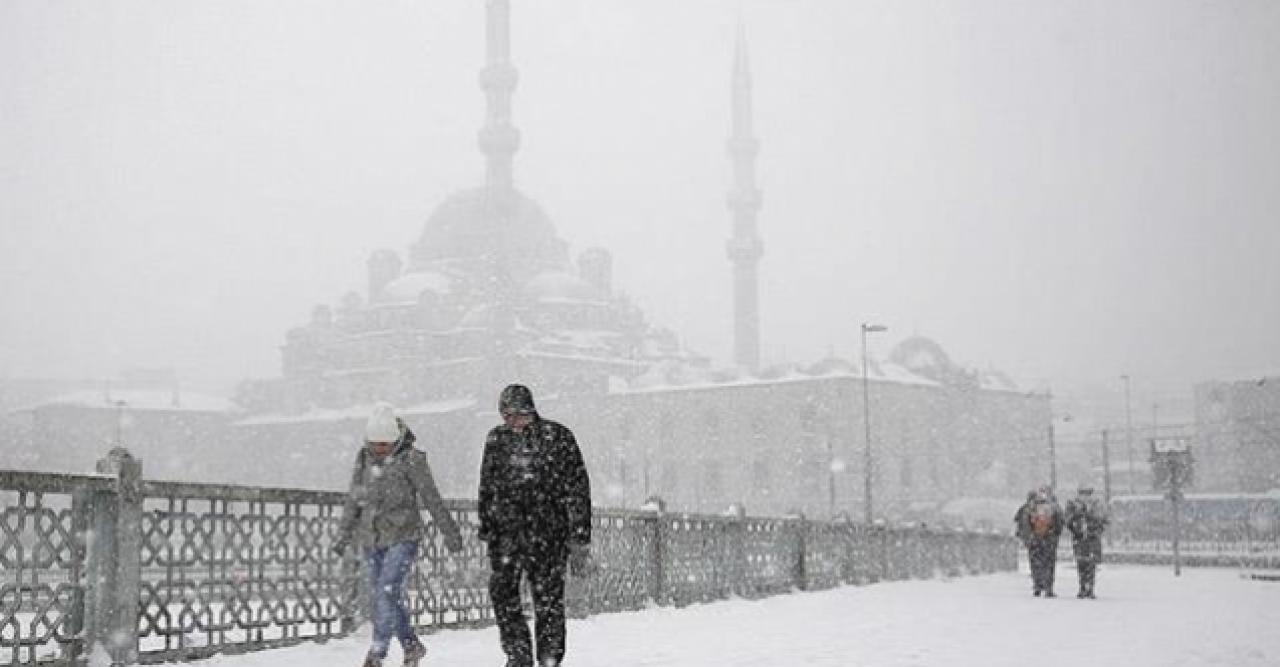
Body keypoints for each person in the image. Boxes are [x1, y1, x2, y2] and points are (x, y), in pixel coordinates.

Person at [334, 402, 464, 667]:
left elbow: (431, 497)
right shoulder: (364, 458)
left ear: (396, 440)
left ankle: (377, 652)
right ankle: (411, 645)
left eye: (385, 445)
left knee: (386, 590)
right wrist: (343, 533)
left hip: (404, 536)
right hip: (371, 537)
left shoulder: (413, 459)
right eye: (375, 444)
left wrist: (450, 532)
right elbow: (354, 499)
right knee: (384, 596)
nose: (379, 450)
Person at [479, 384, 592, 667]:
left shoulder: (558, 437)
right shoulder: (496, 440)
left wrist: (579, 534)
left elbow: (578, 488)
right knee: (503, 595)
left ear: (531, 411)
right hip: (507, 535)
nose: (513, 422)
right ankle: (518, 655)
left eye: (518, 415)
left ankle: (549, 659)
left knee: (548, 602)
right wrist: (488, 526)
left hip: (549, 534)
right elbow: (487, 486)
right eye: (507, 416)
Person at [1064, 483, 1109, 598]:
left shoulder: (1073, 504)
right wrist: (1097, 530)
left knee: (1082, 564)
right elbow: (1104, 520)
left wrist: (1075, 530)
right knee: (1091, 564)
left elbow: (1067, 521)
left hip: (1079, 538)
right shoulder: (1097, 504)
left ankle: (1083, 587)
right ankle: (1090, 588)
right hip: (1092, 538)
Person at [1017, 485, 1063, 597]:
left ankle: (1037, 585)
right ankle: (1048, 588)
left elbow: (1023, 522)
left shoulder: (1030, 506)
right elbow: (1060, 522)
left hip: (1035, 539)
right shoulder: (1054, 507)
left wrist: (1028, 538)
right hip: (1049, 539)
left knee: (1035, 563)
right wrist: (1054, 535)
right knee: (1049, 563)